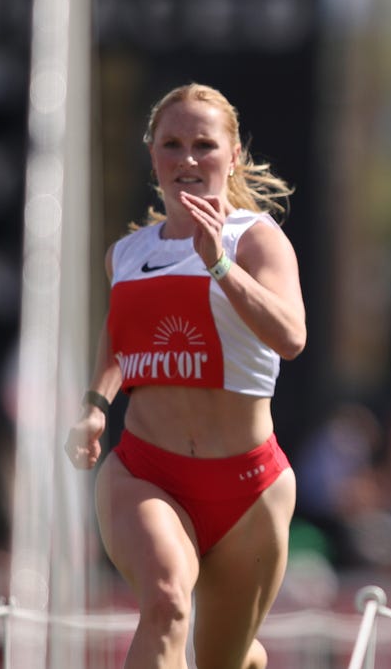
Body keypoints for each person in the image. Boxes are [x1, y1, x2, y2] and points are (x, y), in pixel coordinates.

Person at [64, 83, 305, 669]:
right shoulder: (127, 253)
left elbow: (291, 336)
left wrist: (217, 263)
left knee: (222, 659)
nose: (188, 159)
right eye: (172, 144)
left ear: (234, 156)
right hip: (147, 473)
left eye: (204, 144)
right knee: (168, 601)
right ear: (153, 155)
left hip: (250, 489)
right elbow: (120, 336)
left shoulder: (256, 239)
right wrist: (97, 404)